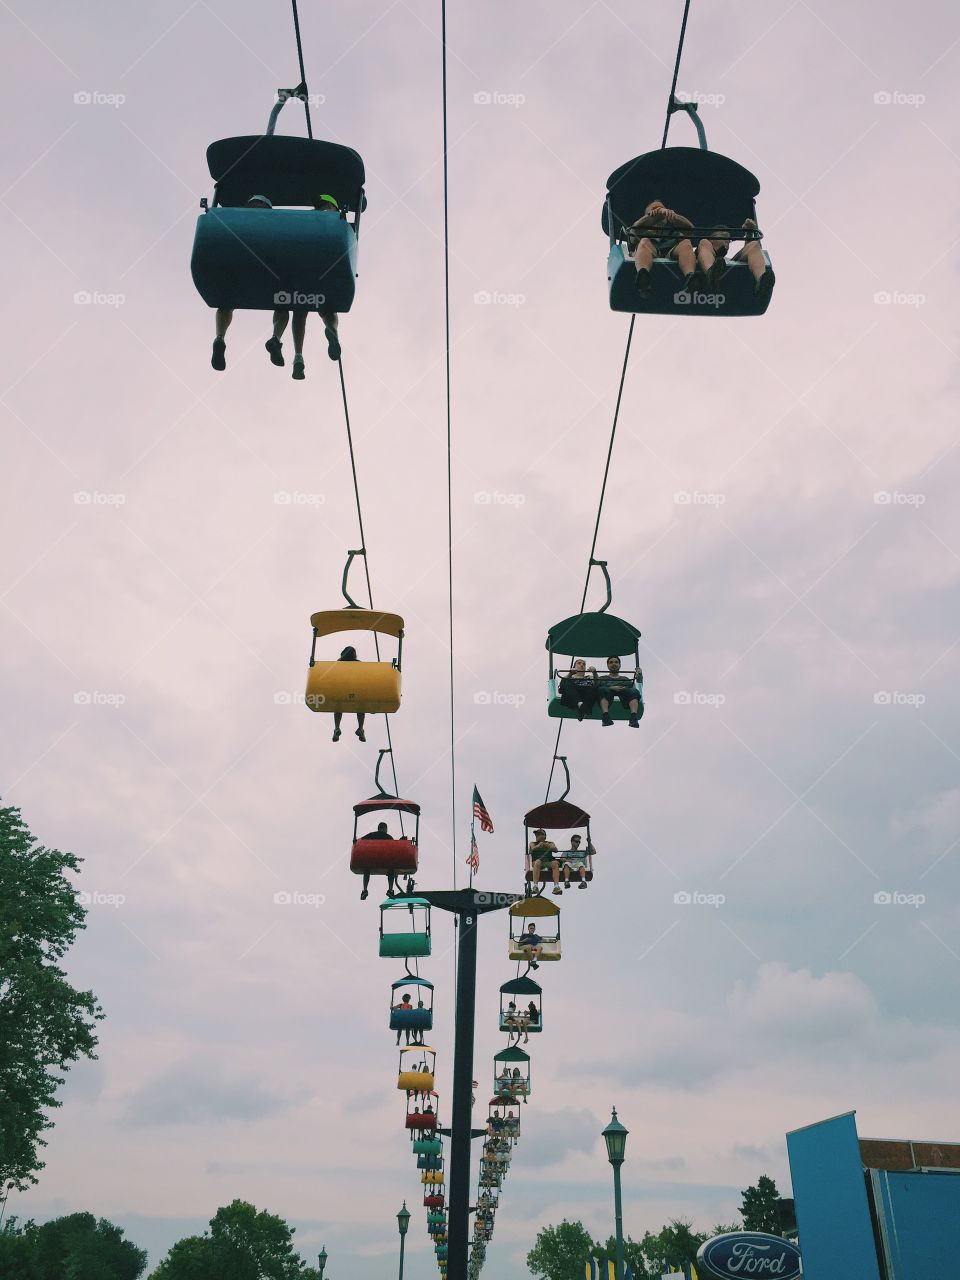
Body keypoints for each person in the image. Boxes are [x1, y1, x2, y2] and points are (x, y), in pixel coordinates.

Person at [626, 199, 699, 298]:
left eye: (662, 209)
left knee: (686, 243)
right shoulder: (641, 232)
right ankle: (643, 277)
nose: (659, 211)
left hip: (670, 252)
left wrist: (674, 217)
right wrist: (657, 215)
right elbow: (635, 230)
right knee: (644, 242)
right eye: (655, 209)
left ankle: (690, 278)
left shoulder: (673, 233)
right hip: (648, 252)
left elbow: (690, 230)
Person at [332, 645, 366, 743]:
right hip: (356, 689)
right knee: (361, 708)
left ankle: (337, 728)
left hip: (342, 689)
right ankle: (360, 728)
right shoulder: (359, 664)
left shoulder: (338, 663)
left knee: (338, 707)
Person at [598, 655, 642, 728]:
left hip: (624, 697)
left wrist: (639, 675)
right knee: (601, 689)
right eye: (611, 662)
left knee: (634, 691)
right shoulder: (603, 678)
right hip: (607, 695)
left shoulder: (625, 679)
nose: (614, 664)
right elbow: (596, 687)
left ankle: (633, 717)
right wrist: (610, 688)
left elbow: (636, 686)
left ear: (619, 665)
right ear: (608, 665)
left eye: (616, 662)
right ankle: (605, 716)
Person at [358, 820, 394, 901]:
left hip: (372, 860)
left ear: (378, 828)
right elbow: (394, 847)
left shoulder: (371, 835)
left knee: (366, 871)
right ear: (385, 828)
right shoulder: (388, 837)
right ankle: (390, 890)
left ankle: (364, 890)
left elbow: (360, 840)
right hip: (385, 861)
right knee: (391, 871)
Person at [558, 657, 599, 721]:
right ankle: (582, 706)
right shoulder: (570, 676)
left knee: (594, 687)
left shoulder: (589, 677)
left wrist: (594, 672)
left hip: (586, 694)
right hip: (573, 695)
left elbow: (597, 684)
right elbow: (562, 687)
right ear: (574, 666)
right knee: (567, 683)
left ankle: (582, 707)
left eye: (584, 664)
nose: (582, 665)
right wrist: (570, 673)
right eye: (579, 663)